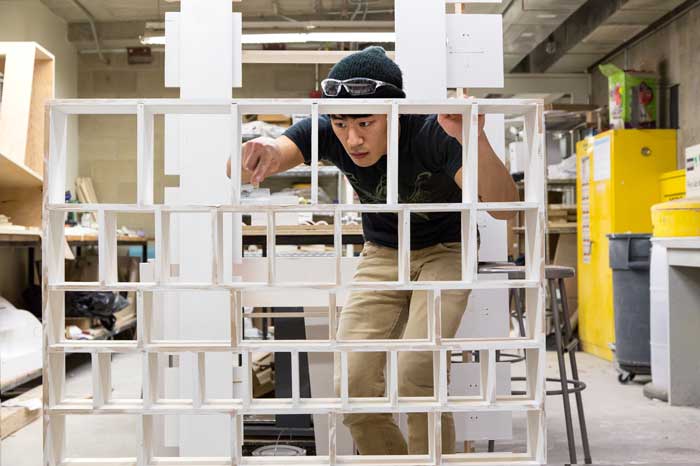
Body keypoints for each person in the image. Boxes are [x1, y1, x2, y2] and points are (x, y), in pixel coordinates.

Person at [227, 46, 518, 455]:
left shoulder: (432, 131)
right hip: (382, 252)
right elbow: (263, 159)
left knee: (417, 371)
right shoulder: (329, 130)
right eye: (342, 123)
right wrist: (261, 153)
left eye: (366, 122)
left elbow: (504, 207)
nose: (353, 139)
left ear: (394, 112)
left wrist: (473, 136)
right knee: (354, 383)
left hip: (444, 250)